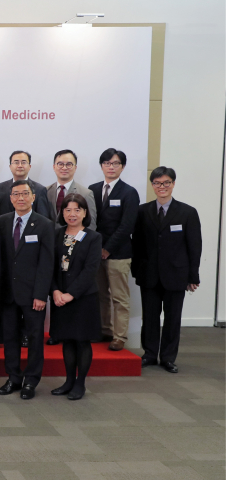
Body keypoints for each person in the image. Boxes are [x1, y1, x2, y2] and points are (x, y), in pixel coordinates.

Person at [132, 167, 202, 373]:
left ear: (173, 184)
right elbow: (137, 243)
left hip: (177, 274)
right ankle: (150, 354)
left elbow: (194, 246)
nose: (161, 187)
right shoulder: (142, 211)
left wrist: (193, 276)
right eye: (157, 183)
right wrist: (136, 270)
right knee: (150, 317)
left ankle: (168, 357)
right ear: (152, 185)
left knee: (173, 318)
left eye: (166, 183)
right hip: (149, 274)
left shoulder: (187, 212)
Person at [0, 180, 54, 400]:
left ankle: (31, 380)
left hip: (33, 294)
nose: (21, 198)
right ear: (10, 198)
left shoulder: (44, 224)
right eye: (16, 194)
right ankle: (13, 377)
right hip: (8, 293)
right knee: (9, 337)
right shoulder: (1, 222)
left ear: (33, 197)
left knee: (35, 338)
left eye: (25, 194)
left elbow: (46, 263)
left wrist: (41, 294)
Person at [50, 194, 103, 400]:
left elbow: (91, 270)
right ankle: (69, 381)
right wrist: (55, 291)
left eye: (77, 210)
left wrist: (71, 294)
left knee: (82, 341)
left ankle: (80, 384)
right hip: (59, 297)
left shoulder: (93, 237)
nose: (72, 214)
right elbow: (49, 266)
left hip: (83, 298)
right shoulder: (56, 234)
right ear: (62, 213)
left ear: (85, 213)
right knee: (67, 340)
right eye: (68, 210)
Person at [89, 148, 140, 351]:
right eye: (107, 163)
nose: (111, 167)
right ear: (102, 166)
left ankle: (119, 337)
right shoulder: (92, 189)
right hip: (95, 253)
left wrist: (108, 249)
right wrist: (96, 249)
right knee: (100, 294)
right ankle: (104, 330)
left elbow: (127, 226)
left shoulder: (129, 192)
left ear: (123, 167)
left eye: (116, 163)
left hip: (118, 254)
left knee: (119, 297)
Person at [46, 149, 97, 230]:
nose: (64, 168)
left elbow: (90, 224)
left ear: (75, 168)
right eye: (60, 164)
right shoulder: (45, 191)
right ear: (54, 167)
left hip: (74, 237)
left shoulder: (86, 193)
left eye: (69, 164)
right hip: (48, 237)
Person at [0, 151, 52, 218]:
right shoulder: (0, 188)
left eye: (23, 162)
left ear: (29, 166)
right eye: (16, 162)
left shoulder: (40, 189)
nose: (20, 166)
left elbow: (43, 217)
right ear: (10, 166)